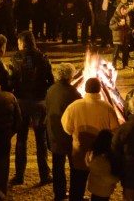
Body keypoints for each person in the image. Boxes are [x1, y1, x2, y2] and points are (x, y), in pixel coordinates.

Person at [61, 77, 119, 201]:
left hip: (79, 153)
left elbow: (66, 128)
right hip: (99, 156)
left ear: (85, 89)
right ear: (99, 89)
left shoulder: (74, 106)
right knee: (99, 190)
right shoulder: (107, 107)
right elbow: (115, 129)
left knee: (77, 184)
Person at [8, 30, 53, 185]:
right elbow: (50, 79)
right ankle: (44, 174)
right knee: (41, 139)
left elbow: (11, 80)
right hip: (39, 101)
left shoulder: (15, 58)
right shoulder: (42, 57)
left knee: (21, 139)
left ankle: (19, 175)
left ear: (22, 43)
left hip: (22, 101)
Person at [45, 63, 80, 201]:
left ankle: (59, 193)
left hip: (54, 131)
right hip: (68, 133)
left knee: (57, 165)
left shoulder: (51, 90)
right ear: (70, 76)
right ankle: (75, 194)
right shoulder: (73, 92)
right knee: (75, 166)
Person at [85, 129, 118, 201]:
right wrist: (116, 178)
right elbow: (106, 177)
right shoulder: (103, 160)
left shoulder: (93, 153)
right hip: (103, 189)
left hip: (95, 185)